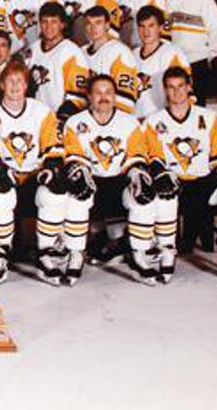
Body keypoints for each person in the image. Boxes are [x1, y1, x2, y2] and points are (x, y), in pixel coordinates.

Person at [0, 59, 65, 284]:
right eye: (10, 81)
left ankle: (45, 253)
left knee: (54, 194)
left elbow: (53, 146)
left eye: (20, 81)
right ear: (1, 84)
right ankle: (1, 252)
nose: (14, 86)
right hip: (6, 174)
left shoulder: (41, 111)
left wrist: (51, 168)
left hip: (34, 173)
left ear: (26, 85)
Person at [61, 75, 155, 285]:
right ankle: (76, 254)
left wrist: (138, 176)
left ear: (115, 96)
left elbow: (136, 155)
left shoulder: (129, 122)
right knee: (76, 196)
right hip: (91, 181)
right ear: (89, 96)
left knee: (143, 195)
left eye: (109, 93)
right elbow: (74, 156)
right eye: (98, 92)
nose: (104, 97)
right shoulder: (75, 123)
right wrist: (79, 174)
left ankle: (139, 255)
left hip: (119, 181)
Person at [145, 67, 217, 265]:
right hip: (173, 183)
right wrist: (161, 175)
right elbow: (154, 157)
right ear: (165, 90)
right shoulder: (153, 121)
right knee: (153, 192)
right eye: (171, 87)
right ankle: (162, 248)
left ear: (189, 87)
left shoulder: (210, 117)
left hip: (204, 181)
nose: (176, 92)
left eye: (181, 86)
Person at [24, 2, 90, 127]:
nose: (48, 26)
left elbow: (78, 97)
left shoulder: (72, 53)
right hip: (34, 119)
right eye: (44, 22)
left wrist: (61, 121)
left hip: (59, 121)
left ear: (63, 24)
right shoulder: (33, 49)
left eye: (54, 22)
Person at [134, 6, 190, 120]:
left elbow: (186, 93)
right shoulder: (131, 55)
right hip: (135, 121)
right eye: (142, 26)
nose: (146, 31)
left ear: (160, 27)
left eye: (151, 25)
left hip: (161, 122)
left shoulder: (173, 53)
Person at [83, 6, 140, 114]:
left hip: (109, 118)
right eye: (89, 23)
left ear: (107, 25)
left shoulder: (120, 52)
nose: (93, 28)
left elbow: (126, 102)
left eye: (98, 23)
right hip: (86, 116)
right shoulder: (81, 52)